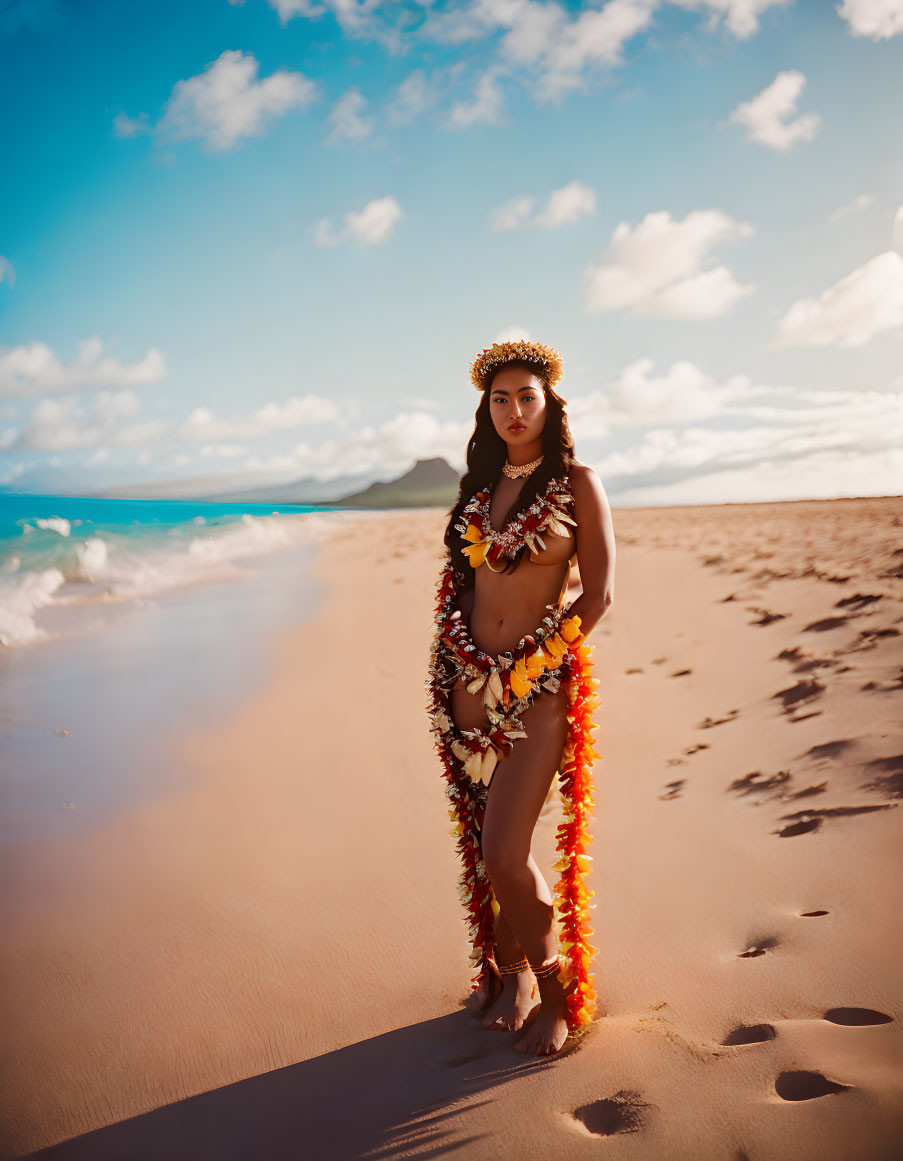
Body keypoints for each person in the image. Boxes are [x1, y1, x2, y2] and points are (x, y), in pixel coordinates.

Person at [426, 338, 616, 1057]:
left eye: (525, 397)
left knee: (508, 850)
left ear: (549, 404)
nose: (512, 411)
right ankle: (513, 979)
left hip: (537, 688)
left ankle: (561, 990)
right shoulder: (479, 491)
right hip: (467, 686)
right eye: (499, 399)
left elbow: (596, 593)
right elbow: (465, 590)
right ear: (486, 408)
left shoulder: (577, 483)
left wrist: (536, 666)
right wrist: (455, 663)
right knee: (483, 852)